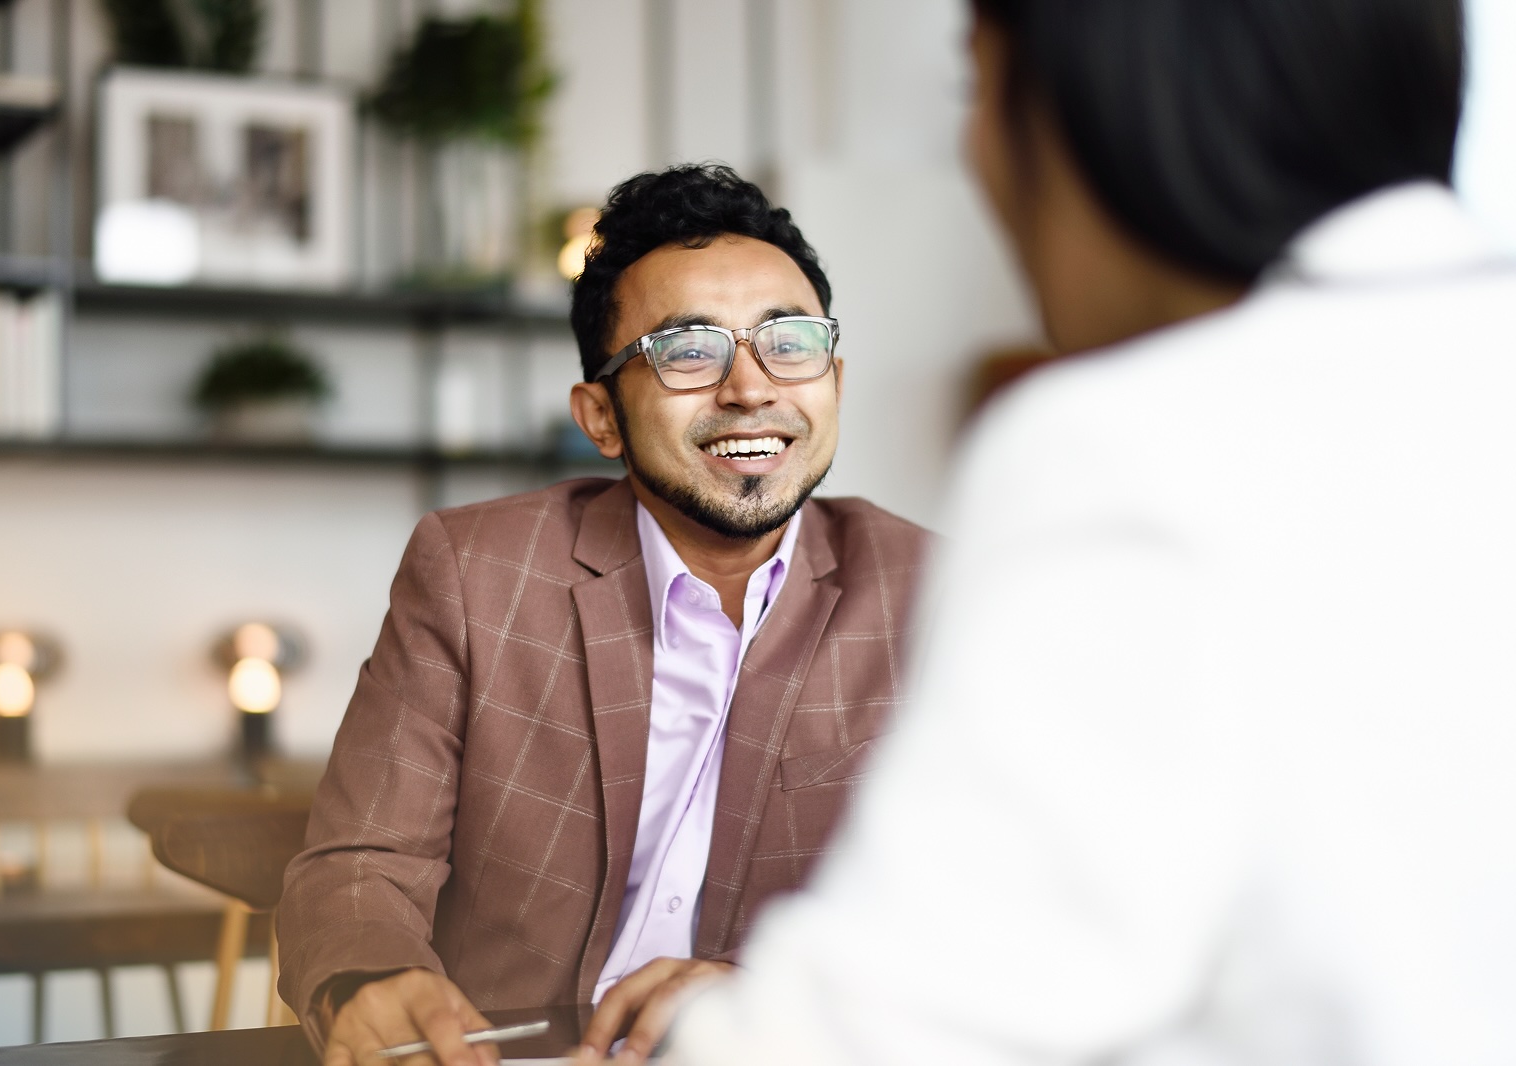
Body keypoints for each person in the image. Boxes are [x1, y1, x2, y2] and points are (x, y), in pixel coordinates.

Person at [663, 1, 1516, 1064]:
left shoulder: (1131, 447)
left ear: (1086, 96)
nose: (978, 161)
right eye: (689, 349)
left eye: (976, 92)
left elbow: (899, 1031)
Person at [275, 164, 929, 1066]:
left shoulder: (929, 590)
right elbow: (359, 861)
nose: (750, 387)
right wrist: (370, 984)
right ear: (602, 417)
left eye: (789, 340)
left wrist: (776, 986)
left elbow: (996, 899)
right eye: (688, 351)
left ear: (835, 381)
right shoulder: (474, 572)